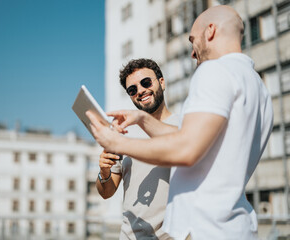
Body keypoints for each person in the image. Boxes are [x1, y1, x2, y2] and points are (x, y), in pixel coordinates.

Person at [88, 5, 273, 240]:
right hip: (234, 226)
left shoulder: (213, 71)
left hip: (208, 229)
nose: (193, 53)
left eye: (192, 40)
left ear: (210, 32)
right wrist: (142, 121)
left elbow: (186, 148)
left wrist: (115, 142)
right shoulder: (258, 86)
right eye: (132, 89)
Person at [96, 58, 179, 239]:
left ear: (162, 83)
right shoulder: (123, 131)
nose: (140, 91)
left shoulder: (184, 127)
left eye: (146, 82)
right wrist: (104, 172)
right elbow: (106, 192)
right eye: (132, 90)